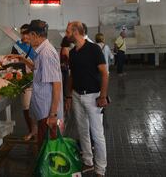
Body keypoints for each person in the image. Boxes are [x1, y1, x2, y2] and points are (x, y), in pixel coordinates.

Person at [65, 21, 109, 177]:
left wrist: (103, 96)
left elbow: (104, 73)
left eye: (68, 31)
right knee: (82, 130)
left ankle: (100, 169)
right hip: (77, 95)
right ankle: (88, 161)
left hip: (93, 96)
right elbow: (71, 75)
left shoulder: (93, 49)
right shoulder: (73, 52)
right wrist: (69, 95)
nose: (66, 34)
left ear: (76, 32)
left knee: (97, 134)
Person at [25, 20, 63, 150]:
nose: (28, 39)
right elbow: (38, 70)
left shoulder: (46, 53)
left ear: (35, 35)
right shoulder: (41, 51)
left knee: (48, 148)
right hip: (43, 110)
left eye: (29, 36)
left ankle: (47, 170)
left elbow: (56, 84)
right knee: (44, 146)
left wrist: (53, 115)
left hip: (47, 113)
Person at [9, 24, 37, 141]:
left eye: (26, 33)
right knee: (26, 108)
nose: (23, 35)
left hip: (37, 80)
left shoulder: (36, 46)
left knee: (38, 108)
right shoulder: (16, 46)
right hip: (24, 81)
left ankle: (38, 132)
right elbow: (13, 62)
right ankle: (31, 131)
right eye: (22, 33)